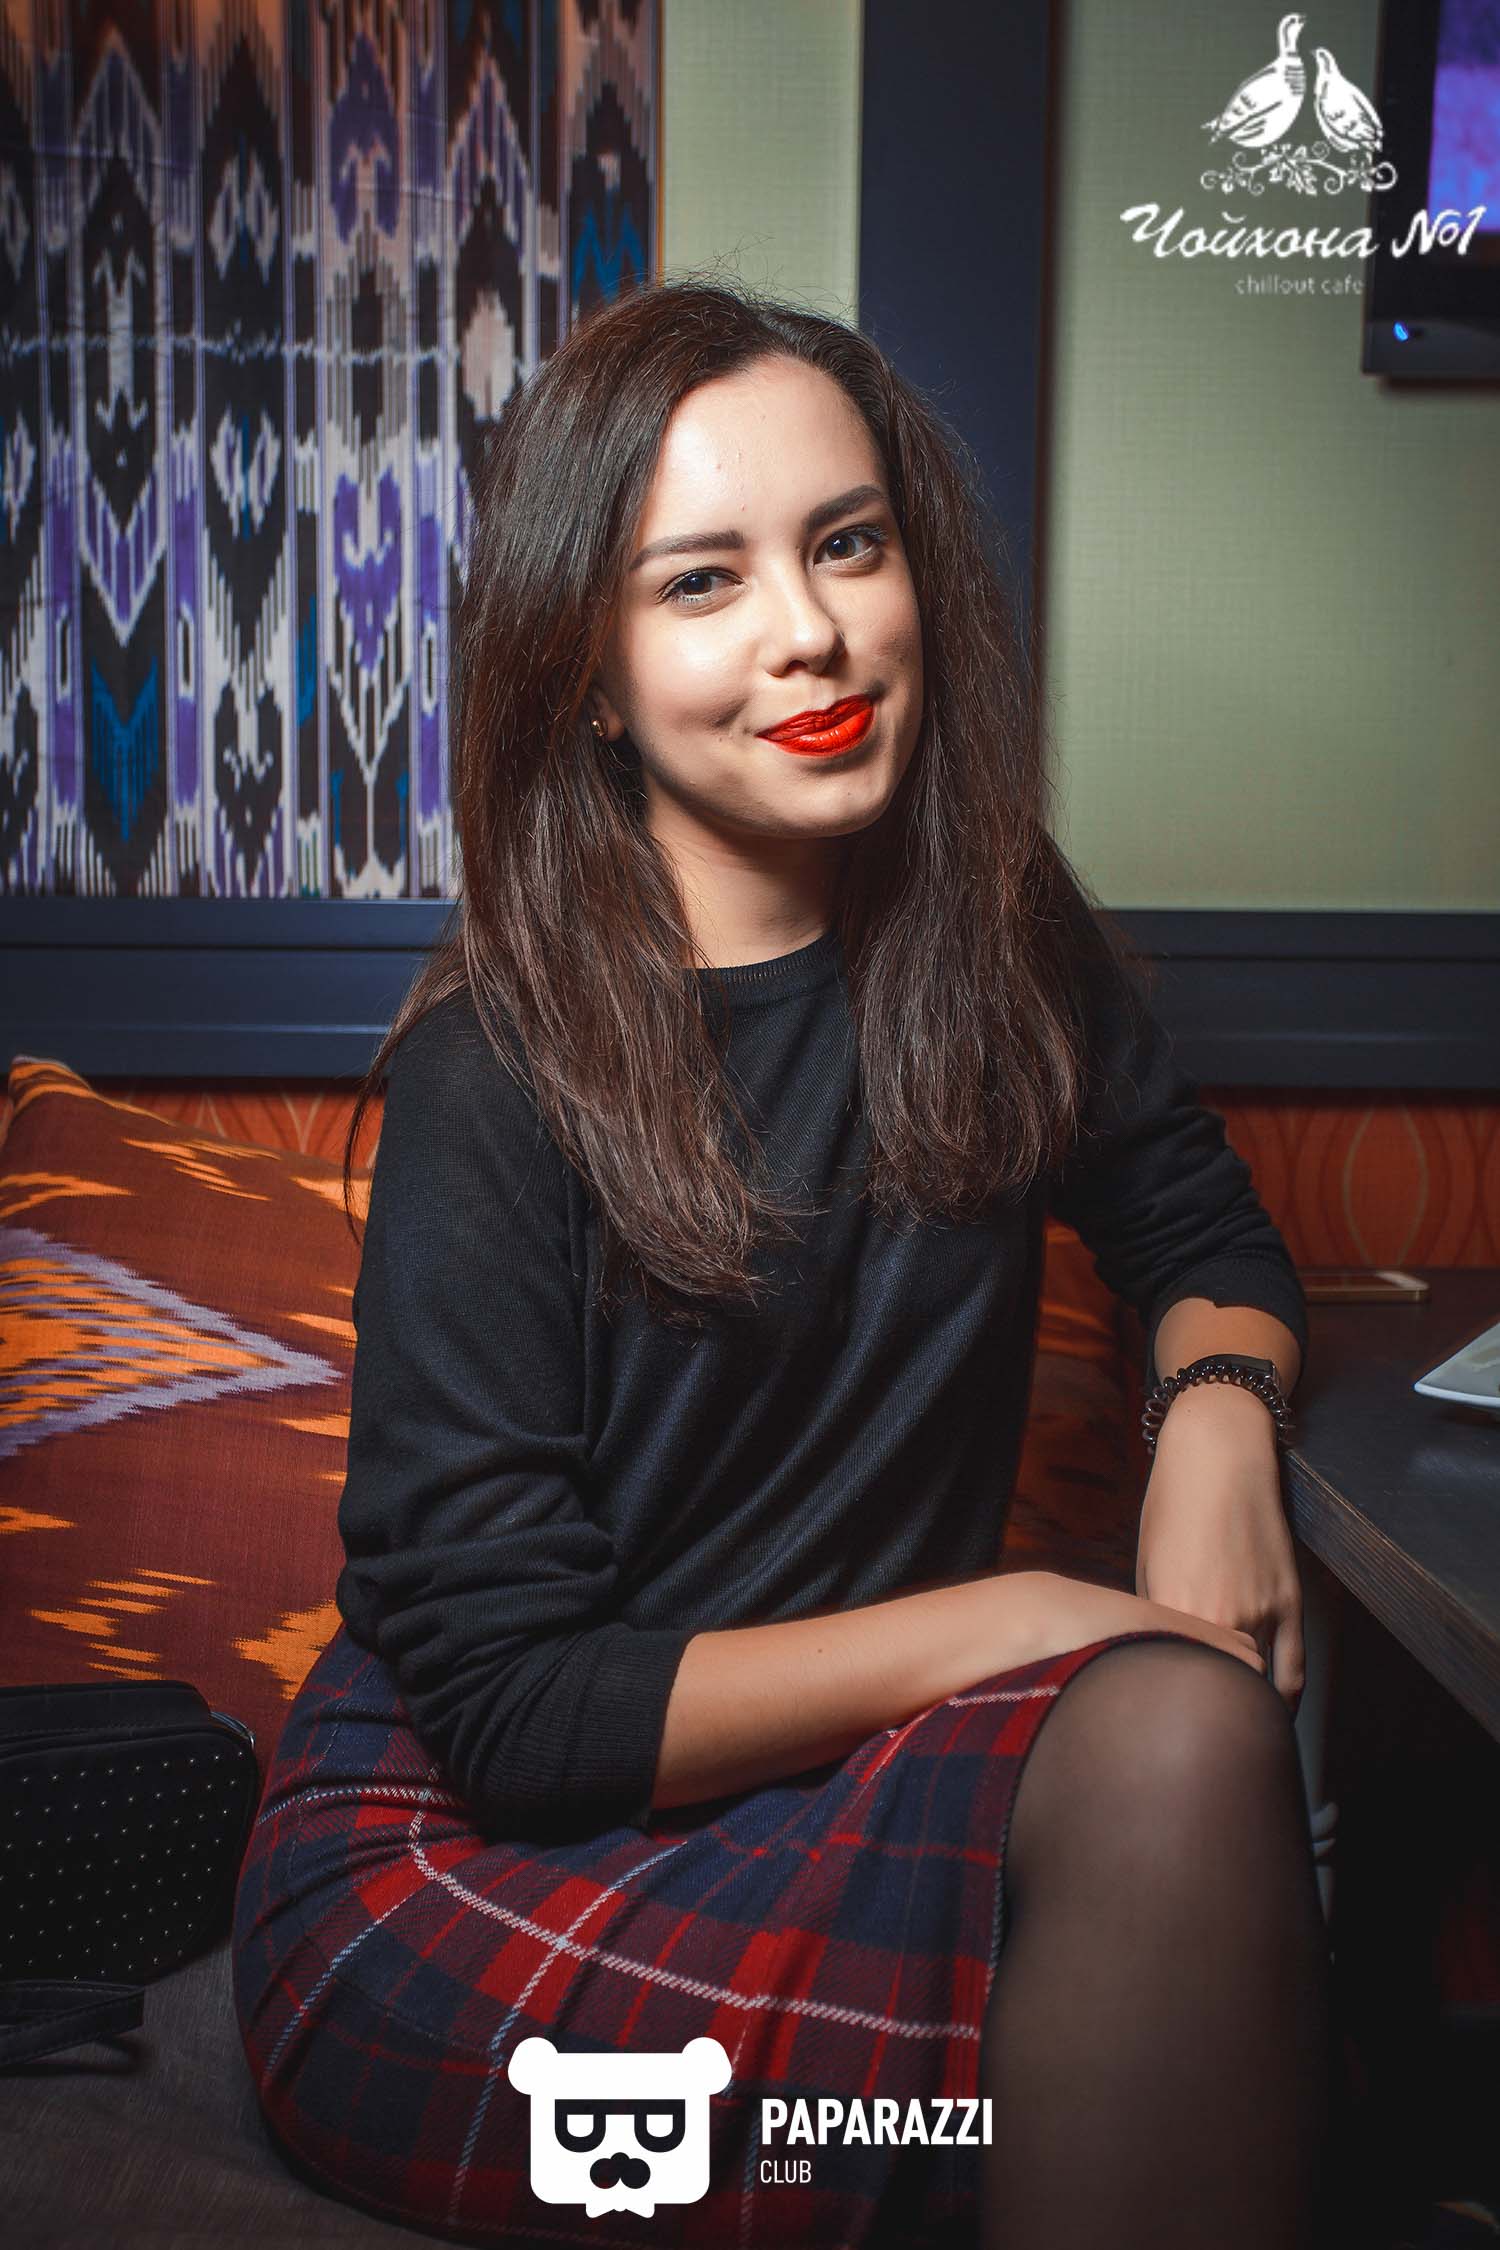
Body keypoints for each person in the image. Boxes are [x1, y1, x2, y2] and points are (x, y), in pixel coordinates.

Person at [231, 277, 1332, 2248]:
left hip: (845, 1792)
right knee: (1091, 1979)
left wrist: (1220, 1416)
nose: (808, 631)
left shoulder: (996, 937)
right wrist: (1019, 1619)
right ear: (588, 674)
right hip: (463, 1872)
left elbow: (1197, 1225)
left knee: (1185, 1760)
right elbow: (521, 1716)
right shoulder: (496, 1071)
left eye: (847, 544)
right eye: (700, 582)